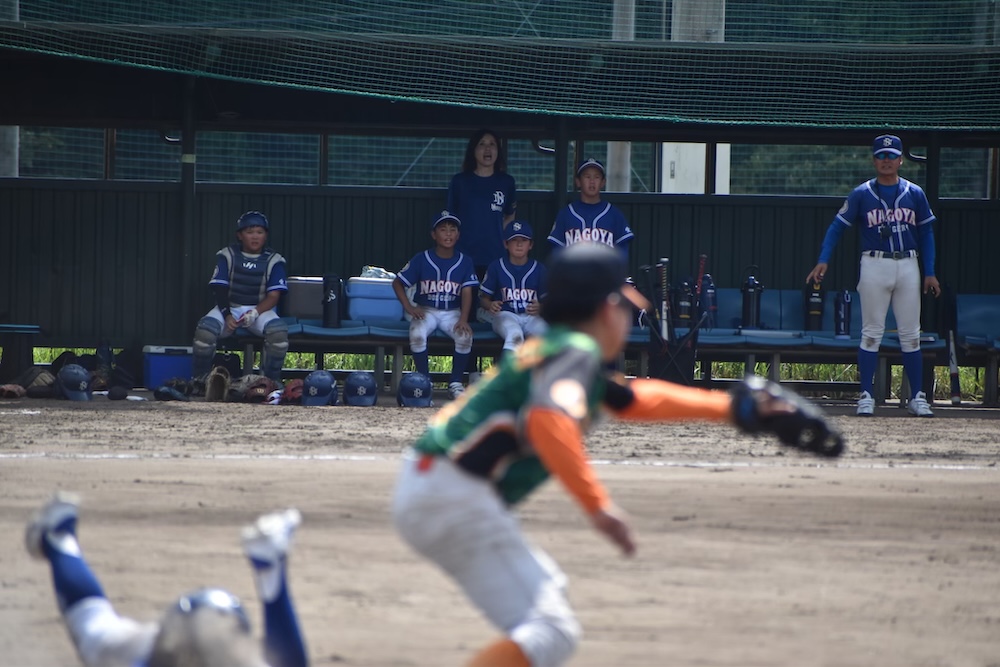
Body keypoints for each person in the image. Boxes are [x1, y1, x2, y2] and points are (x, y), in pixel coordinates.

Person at [392, 242, 844, 667]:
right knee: (551, 628)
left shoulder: (561, 352)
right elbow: (549, 421)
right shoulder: (574, 352)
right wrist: (598, 506)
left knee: (547, 601)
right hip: (455, 496)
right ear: (607, 309)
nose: (630, 312)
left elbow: (632, 400)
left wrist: (728, 408)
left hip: (439, 485)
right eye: (626, 303)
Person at [26, 491, 308, 667]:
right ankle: (59, 538)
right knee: (92, 628)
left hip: (163, 646)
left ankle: (59, 536)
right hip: (199, 644)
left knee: (94, 629)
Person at [806, 134, 941, 418]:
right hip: (874, 263)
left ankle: (917, 396)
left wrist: (930, 272)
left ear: (901, 160)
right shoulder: (862, 193)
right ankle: (866, 395)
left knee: (911, 334)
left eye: (891, 156)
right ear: (874, 160)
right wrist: (823, 260)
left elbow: (926, 233)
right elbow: (837, 227)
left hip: (908, 263)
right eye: (881, 156)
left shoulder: (914, 192)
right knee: (871, 333)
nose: (886, 160)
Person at [192, 211, 289, 384]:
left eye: (259, 232)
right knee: (205, 331)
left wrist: (255, 312)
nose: (255, 237)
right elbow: (220, 289)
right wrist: (227, 314)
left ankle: (270, 382)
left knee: (278, 333)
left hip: (259, 310)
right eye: (250, 232)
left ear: (265, 235)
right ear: (240, 235)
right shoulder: (227, 255)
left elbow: (274, 296)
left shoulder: (275, 260)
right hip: (230, 307)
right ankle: (200, 380)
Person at [392, 211, 480, 400]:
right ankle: (425, 381)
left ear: (458, 234)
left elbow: (467, 292)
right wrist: (409, 307)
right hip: (427, 310)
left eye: (452, 229)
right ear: (433, 234)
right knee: (416, 334)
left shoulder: (465, 261)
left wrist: (464, 318)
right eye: (443, 229)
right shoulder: (421, 258)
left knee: (465, 336)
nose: (448, 234)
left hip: (452, 312)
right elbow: (397, 283)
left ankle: (455, 382)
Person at [447, 128, 518, 274]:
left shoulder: (506, 182)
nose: (487, 149)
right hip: (464, 254)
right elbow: (450, 218)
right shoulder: (460, 181)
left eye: (492, 144)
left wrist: (503, 240)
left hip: (495, 255)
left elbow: (510, 215)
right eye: (482, 144)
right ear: (473, 150)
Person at [479, 220, 547, 356]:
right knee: (515, 335)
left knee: (546, 335)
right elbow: (482, 299)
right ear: (506, 244)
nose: (519, 244)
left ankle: (539, 371)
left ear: (531, 245)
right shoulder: (496, 267)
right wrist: (490, 304)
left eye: (524, 240)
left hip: (531, 317)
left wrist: (541, 307)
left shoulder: (539, 268)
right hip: (505, 315)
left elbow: (550, 302)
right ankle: (507, 371)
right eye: (514, 240)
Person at [547, 158, 635, 261]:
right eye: (587, 177)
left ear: (603, 182)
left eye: (596, 177)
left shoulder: (614, 214)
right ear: (578, 182)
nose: (592, 181)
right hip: (574, 270)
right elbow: (556, 251)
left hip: (605, 270)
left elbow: (623, 252)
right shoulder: (566, 214)